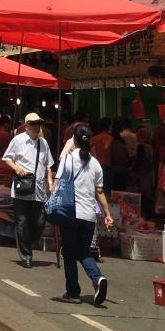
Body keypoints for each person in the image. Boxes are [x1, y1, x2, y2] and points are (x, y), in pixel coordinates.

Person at [55, 124, 113, 306]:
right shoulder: (95, 164)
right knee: (83, 252)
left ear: (74, 139)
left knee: (69, 253)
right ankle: (98, 278)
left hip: (71, 214)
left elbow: (57, 183)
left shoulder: (68, 159)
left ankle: (73, 292)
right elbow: (100, 192)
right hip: (89, 217)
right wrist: (107, 214)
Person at [2, 111, 54, 269]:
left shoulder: (43, 143)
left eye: (39, 123)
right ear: (27, 126)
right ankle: (26, 256)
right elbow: (7, 158)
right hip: (22, 188)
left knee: (39, 222)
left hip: (39, 190)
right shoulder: (18, 140)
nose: (37, 126)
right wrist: (17, 169)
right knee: (22, 222)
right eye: (34, 124)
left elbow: (48, 166)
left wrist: (50, 182)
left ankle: (27, 243)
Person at [90, 118, 114, 192]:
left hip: (95, 166)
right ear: (109, 126)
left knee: (95, 190)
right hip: (107, 166)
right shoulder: (110, 138)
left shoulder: (94, 139)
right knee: (106, 191)